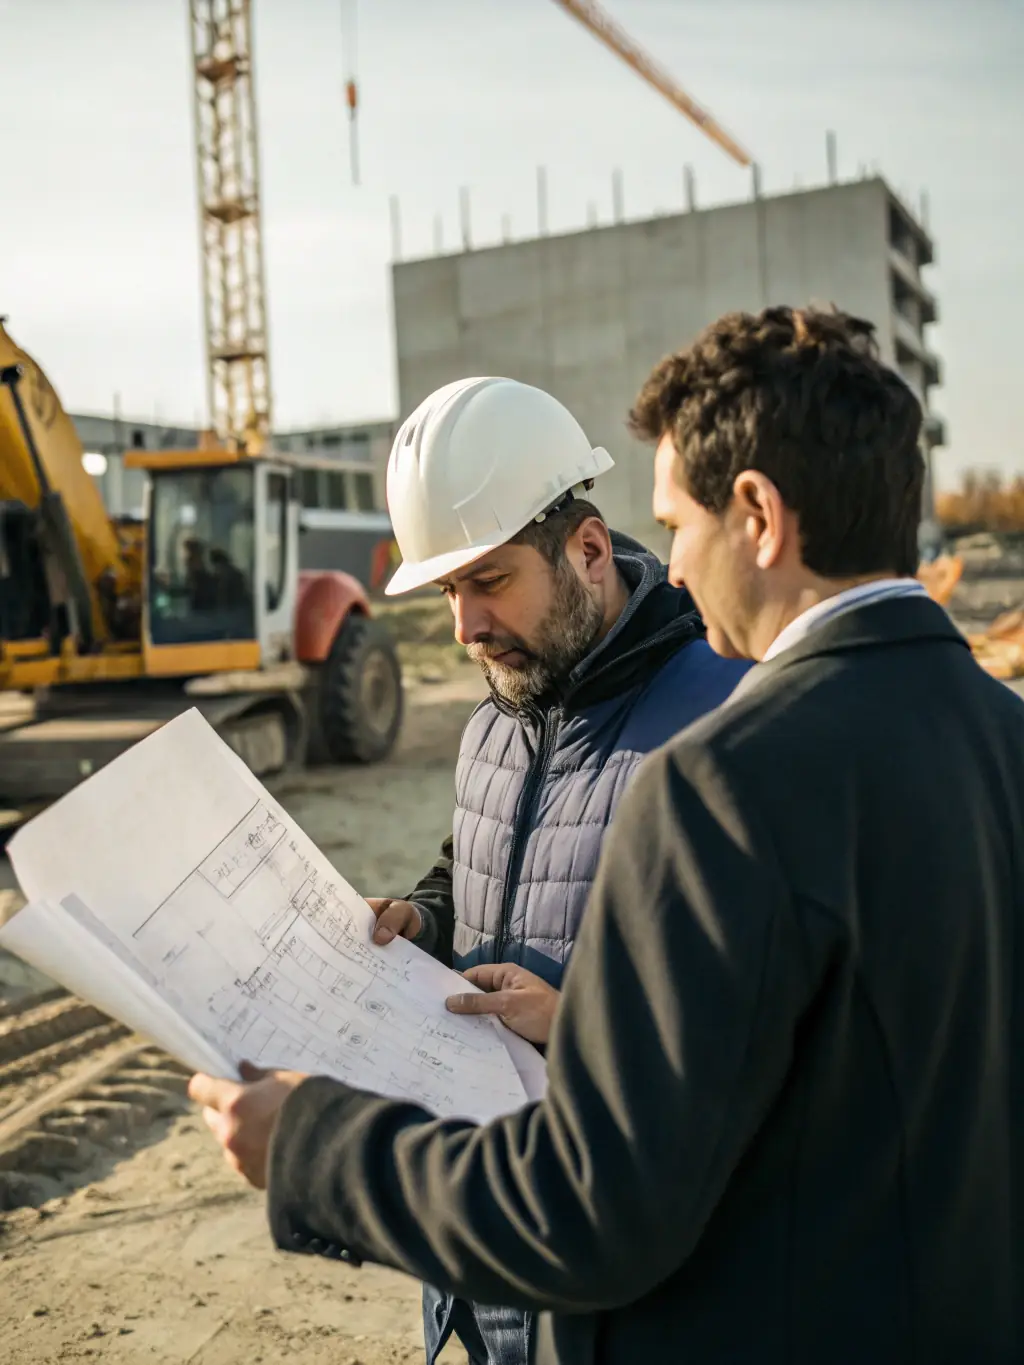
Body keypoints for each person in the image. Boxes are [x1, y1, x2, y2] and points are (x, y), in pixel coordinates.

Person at [191, 307, 1023, 1364]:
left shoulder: (726, 775)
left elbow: (595, 1209)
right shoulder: (1005, 735)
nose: (671, 563)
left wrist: (312, 1147)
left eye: (676, 521)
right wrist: (429, 920)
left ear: (757, 516)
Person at [368, 375, 749, 1363]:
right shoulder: (496, 725)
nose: (465, 627)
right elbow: (478, 870)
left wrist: (570, 1013)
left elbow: (756, 1010)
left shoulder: (725, 721)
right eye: (448, 591)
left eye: (487, 581)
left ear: (584, 550)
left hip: (624, 1247)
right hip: (485, 1220)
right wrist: (421, 918)